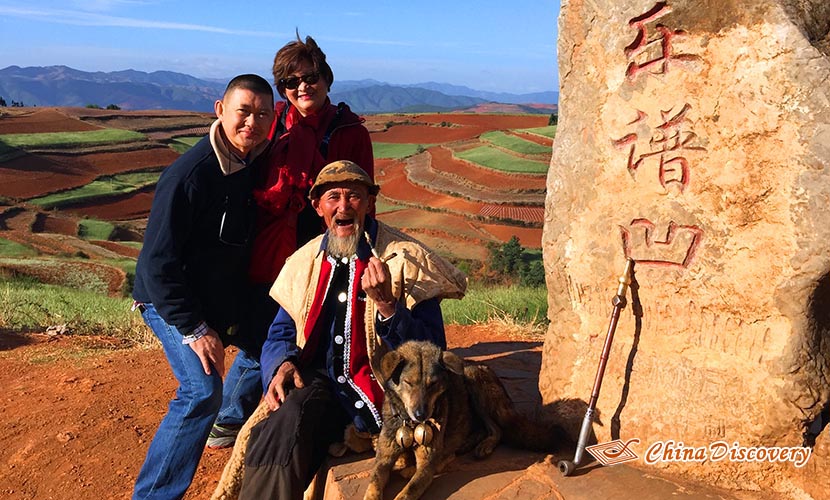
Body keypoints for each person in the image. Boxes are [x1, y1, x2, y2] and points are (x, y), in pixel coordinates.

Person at [238, 161, 467, 499]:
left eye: (354, 197)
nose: (344, 207)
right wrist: (280, 365)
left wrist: (389, 306)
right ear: (318, 207)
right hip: (324, 388)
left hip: (390, 396)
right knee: (279, 429)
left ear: (370, 203)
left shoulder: (406, 258)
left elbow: (434, 349)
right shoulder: (302, 263)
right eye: (333, 197)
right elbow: (281, 333)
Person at [207, 33, 377, 449]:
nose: (302, 86)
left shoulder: (351, 131)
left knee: (318, 325)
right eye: (290, 80)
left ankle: (280, 405)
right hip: (271, 243)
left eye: (311, 76)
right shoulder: (274, 121)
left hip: (327, 244)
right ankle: (230, 417)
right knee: (266, 325)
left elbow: (363, 196)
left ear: (326, 78)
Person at [131, 74, 275, 500]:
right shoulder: (188, 177)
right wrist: (196, 329)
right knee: (201, 389)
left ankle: (227, 420)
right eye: (243, 112)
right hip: (170, 300)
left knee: (273, 342)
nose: (252, 121)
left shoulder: (255, 165)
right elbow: (157, 266)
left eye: (262, 113)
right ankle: (154, 495)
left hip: (221, 294)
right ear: (220, 111)